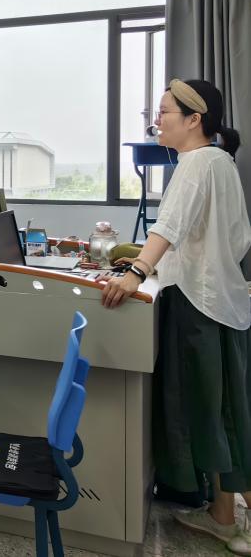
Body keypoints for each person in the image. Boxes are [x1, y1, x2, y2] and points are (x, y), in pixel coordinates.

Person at [101, 79, 251, 554]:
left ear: (194, 119)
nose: (156, 121)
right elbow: (222, 237)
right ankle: (223, 515)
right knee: (216, 411)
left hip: (201, 305)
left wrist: (136, 271)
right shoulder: (220, 161)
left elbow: (170, 226)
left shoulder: (198, 163)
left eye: (164, 112)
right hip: (220, 299)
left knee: (220, 415)